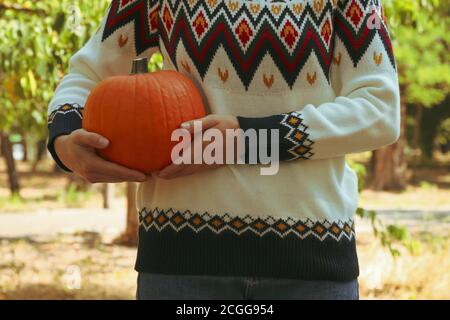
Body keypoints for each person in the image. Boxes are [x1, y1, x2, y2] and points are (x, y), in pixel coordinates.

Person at [47, 0, 400, 300]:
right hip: (179, 263)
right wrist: (65, 142)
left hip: (311, 266)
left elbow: (379, 110)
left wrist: (246, 140)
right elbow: (86, 74)